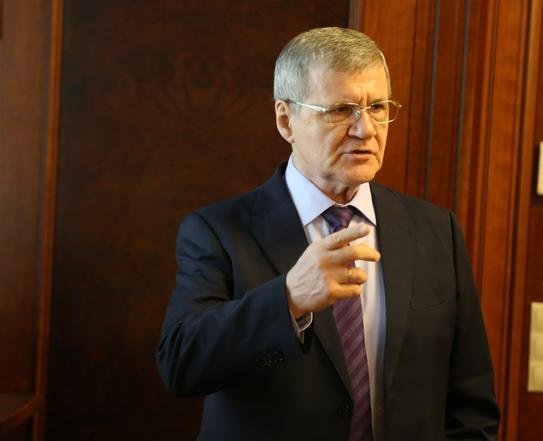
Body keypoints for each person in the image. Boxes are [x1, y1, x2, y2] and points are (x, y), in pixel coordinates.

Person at [156, 27, 499, 441]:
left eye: (377, 107)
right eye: (340, 110)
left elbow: (471, 403)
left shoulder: (435, 229)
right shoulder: (218, 232)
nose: (366, 129)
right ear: (286, 120)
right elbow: (181, 363)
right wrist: (288, 299)